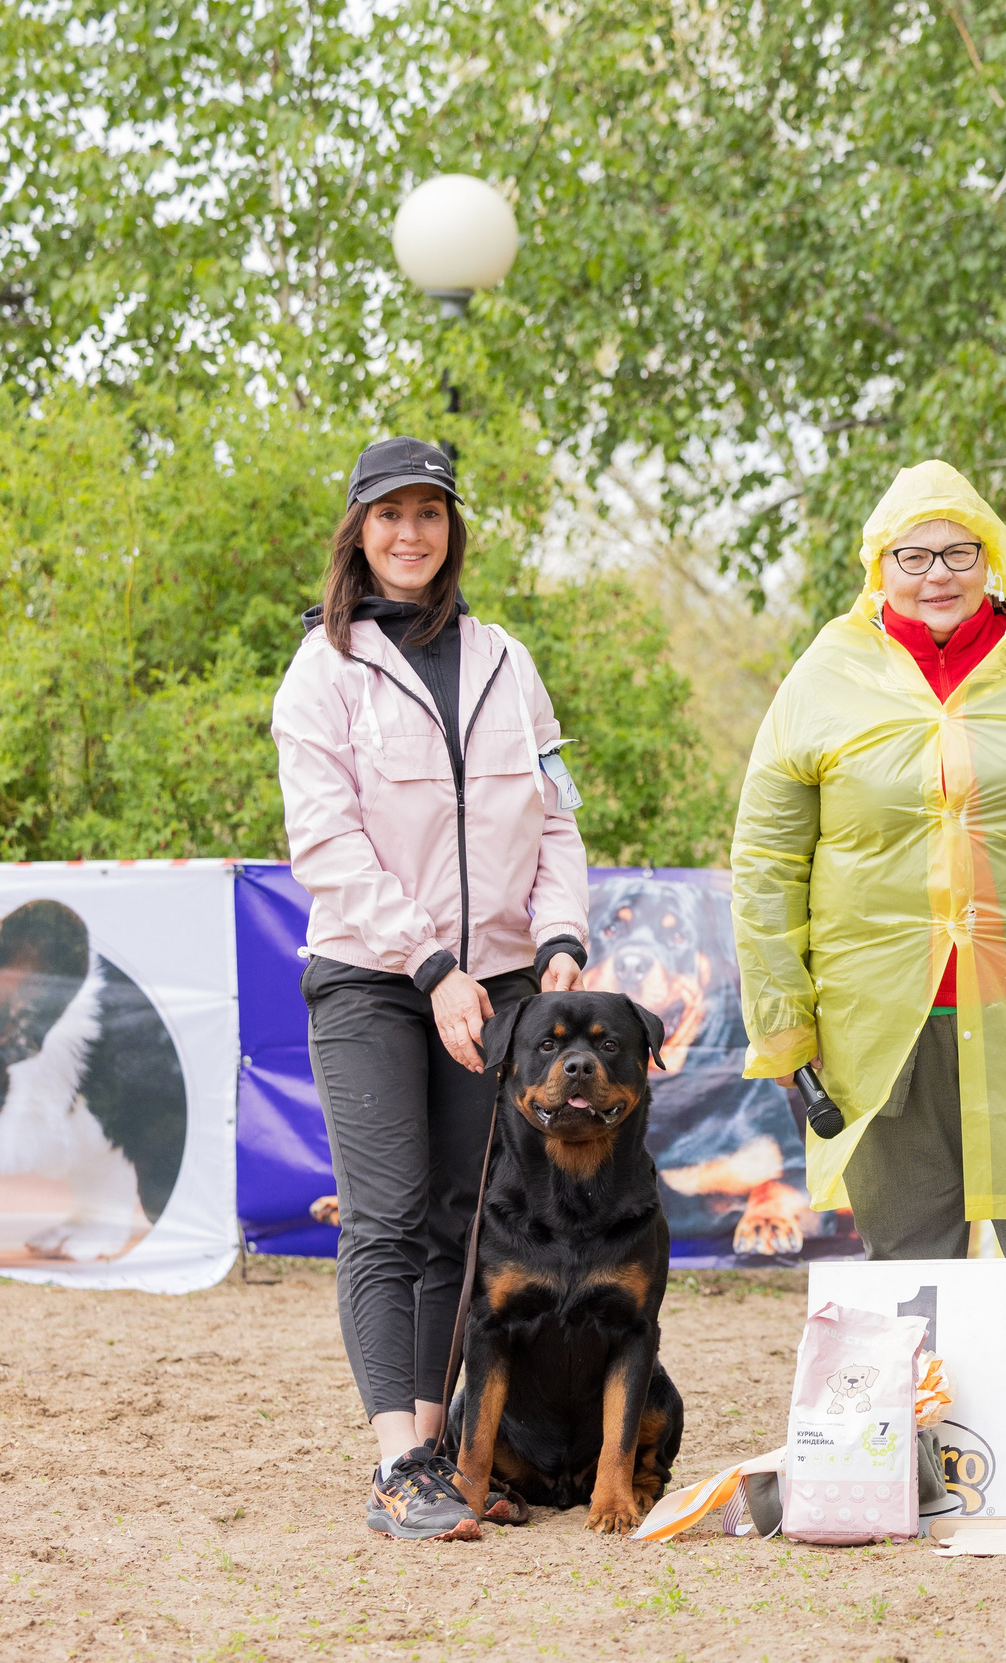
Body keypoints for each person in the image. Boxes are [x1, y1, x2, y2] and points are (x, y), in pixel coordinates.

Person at [730, 460, 1006, 1503]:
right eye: (912, 555)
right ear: (877, 566)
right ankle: (908, 1438)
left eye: (957, 551)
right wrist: (785, 1021)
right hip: (876, 1012)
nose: (936, 574)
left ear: (993, 557)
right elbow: (764, 860)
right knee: (907, 1238)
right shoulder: (824, 675)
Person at [272, 437, 590, 1542]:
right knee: (390, 1214)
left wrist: (556, 935)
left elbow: (557, 816)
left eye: (429, 514)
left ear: (453, 531)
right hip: (372, 976)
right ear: (357, 532)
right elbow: (327, 845)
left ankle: (444, 1452)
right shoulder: (323, 670)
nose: (409, 534)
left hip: (495, 981)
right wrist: (433, 963)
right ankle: (396, 1460)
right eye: (388, 514)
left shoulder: (507, 658)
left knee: (465, 1222)